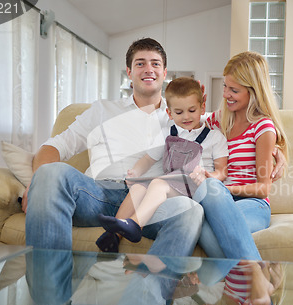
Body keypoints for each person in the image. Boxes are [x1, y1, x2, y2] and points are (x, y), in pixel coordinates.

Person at [23, 38, 203, 261]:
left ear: (165, 72)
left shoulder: (183, 117)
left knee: (190, 210)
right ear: (129, 71)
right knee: (49, 173)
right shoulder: (102, 110)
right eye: (140, 63)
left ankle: (148, 292)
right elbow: (55, 146)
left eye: (155, 64)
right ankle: (49, 293)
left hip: (147, 203)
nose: (149, 69)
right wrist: (37, 180)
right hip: (97, 194)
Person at [97, 77, 228, 245]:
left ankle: (135, 224)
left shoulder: (215, 137)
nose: (186, 117)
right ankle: (114, 235)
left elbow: (222, 171)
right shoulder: (167, 133)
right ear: (170, 113)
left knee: (158, 183)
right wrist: (135, 172)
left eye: (192, 110)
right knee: (138, 188)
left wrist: (208, 176)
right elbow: (147, 159)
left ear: (202, 108)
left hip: (197, 190)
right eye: (179, 112)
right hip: (170, 189)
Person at [193, 51, 289, 262]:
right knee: (200, 220)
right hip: (220, 201)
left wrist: (223, 189)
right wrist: (194, 101)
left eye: (234, 90)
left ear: (253, 92)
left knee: (207, 227)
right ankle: (256, 282)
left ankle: (250, 281)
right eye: (225, 87)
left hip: (253, 203)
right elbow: (184, 122)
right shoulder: (219, 120)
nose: (226, 94)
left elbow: (264, 188)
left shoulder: (262, 127)